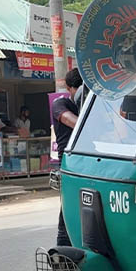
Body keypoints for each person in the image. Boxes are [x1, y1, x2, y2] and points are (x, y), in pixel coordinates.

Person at [51, 68, 82, 246]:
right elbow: (74, 122)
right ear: (70, 89)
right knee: (68, 208)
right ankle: (62, 251)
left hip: (91, 162)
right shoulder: (60, 104)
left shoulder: (91, 104)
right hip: (68, 164)